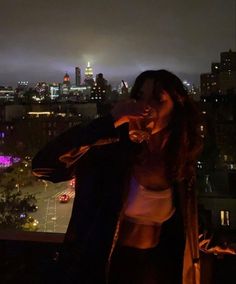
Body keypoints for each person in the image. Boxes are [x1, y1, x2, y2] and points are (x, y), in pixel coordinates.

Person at [32, 69, 203, 284]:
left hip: (157, 270)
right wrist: (110, 121)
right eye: (139, 97)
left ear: (177, 109)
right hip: (104, 269)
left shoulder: (179, 165)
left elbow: (189, 223)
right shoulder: (109, 152)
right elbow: (43, 166)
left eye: (157, 99)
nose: (145, 107)